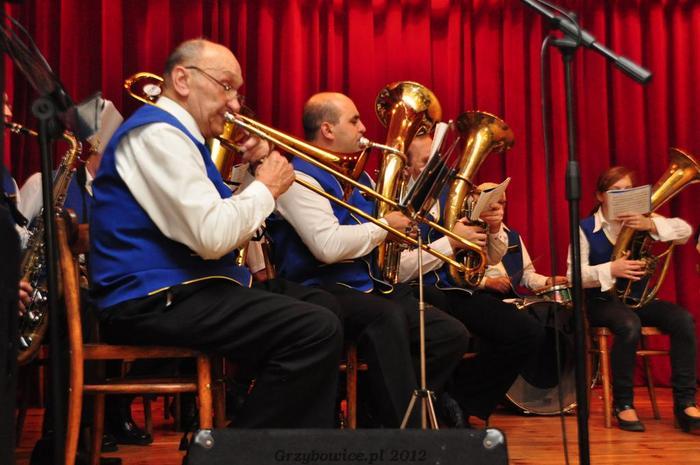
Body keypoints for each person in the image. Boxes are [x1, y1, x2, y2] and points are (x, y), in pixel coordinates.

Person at [89, 38, 343, 429]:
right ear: (182, 80)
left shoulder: (181, 138)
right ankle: (235, 451)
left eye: (238, 93)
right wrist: (267, 188)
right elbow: (212, 237)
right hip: (149, 298)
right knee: (314, 329)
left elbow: (226, 225)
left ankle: (296, 445)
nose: (235, 105)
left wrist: (256, 176)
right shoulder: (157, 135)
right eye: (226, 87)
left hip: (187, 286)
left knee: (325, 308)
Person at [267, 92, 470, 428]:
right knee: (385, 317)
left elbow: (379, 234)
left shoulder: (362, 178)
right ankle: (407, 429)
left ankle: (376, 411)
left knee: (449, 334)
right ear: (327, 130)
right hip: (319, 289)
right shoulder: (298, 178)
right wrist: (384, 228)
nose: (364, 127)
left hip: (366, 285)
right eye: (354, 120)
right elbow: (327, 246)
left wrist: (402, 230)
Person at [397, 134, 545, 424]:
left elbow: (490, 257)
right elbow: (401, 269)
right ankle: (440, 404)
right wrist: (451, 243)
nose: (435, 171)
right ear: (407, 167)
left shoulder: (455, 197)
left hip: (458, 291)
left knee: (528, 332)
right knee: (451, 328)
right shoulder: (398, 202)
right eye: (426, 163)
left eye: (439, 163)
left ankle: (460, 399)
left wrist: (494, 228)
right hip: (415, 292)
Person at [569, 166, 699, 432]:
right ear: (600, 196)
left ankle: (685, 402)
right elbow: (573, 276)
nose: (623, 195)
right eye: (615, 191)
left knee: (683, 320)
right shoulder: (585, 228)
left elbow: (685, 231)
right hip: (602, 302)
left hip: (639, 299)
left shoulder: (643, 220)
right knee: (629, 325)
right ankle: (624, 403)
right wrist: (611, 269)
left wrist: (651, 224)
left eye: (628, 190)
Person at [474, 181, 567, 297]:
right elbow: (458, 275)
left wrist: (547, 281)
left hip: (509, 299)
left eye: (502, 203)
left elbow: (526, 275)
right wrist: (486, 282)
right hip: (479, 297)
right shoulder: (468, 234)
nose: (498, 207)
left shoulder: (512, 236)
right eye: (493, 202)